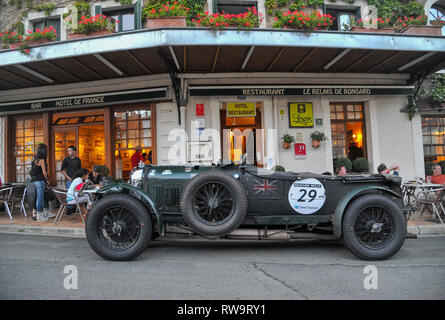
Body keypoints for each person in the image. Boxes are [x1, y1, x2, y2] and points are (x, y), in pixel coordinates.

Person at [29, 143, 54, 221]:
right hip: (40, 180)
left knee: (41, 197)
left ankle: (44, 212)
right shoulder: (42, 160)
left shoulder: (35, 159)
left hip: (34, 180)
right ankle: (39, 214)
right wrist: (47, 179)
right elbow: (44, 173)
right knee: (40, 198)